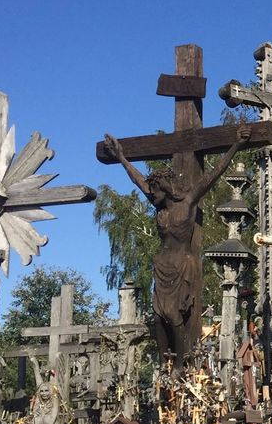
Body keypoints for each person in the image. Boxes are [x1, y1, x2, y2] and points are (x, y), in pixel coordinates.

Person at [103, 126, 252, 366]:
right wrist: (121, 157)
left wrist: (236, 145)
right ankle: (165, 363)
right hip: (162, 266)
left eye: (155, 190)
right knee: (159, 316)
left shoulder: (188, 201)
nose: (151, 193)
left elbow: (213, 175)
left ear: (165, 188)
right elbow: (138, 179)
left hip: (183, 265)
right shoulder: (159, 205)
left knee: (174, 315)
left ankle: (182, 365)